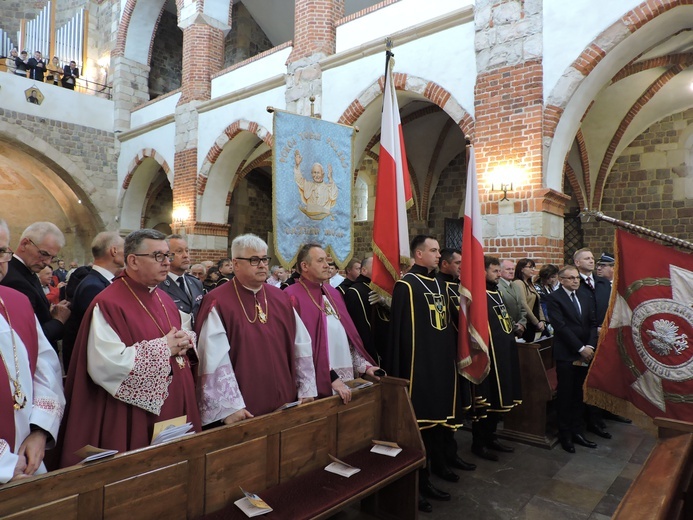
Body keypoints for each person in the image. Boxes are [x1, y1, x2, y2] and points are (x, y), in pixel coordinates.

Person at [59, 229, 201, 468]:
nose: (167, 262)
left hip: (176, 403)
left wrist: (185, 340)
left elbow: (179, 336)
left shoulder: (164, 298)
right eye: (158, 256)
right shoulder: (109, 303)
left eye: (167, 256)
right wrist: (164, 347)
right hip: (132, 413)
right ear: (133, 260)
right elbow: (106, 364)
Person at [195, 234, 317, 426]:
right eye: (254, 260)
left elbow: (301, 343)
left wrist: (306, 388)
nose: (262, 265)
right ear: (236, 264)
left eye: (264, 259)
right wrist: (230, 407)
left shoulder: (281, 298)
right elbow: (214, 356)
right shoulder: (218, 301)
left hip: (287, 402)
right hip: (244, 410)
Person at [388, 235, 459, 513]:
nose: (437, 254)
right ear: (418, 254)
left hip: (440, 363)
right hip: (418, 367)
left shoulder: (439, 283)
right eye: (432, 250)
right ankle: (418, 483)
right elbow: (399, 332)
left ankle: (434, 472)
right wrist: (401, 373)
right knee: (418, 429)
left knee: (437, 426)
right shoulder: (406, 285)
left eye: (438, 250)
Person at [0, 218, 65, 484]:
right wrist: (6, 463)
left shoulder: (17, 303)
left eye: (2, 251)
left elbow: (45, 369)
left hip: (27, 458)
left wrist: (39, 431)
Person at [284, 244, 379, 405]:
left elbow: (348, 338)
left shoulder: (333, 293)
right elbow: (298, 347)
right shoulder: (291, 296)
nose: (327, 265)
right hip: (316, 384)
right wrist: (331, 377)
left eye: (327, 261)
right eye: (320, 260)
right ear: (304, 266)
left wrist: (365, 366)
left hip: (345, 380)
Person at [471, 256, 521, 461]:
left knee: (498, 401)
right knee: (486, 400)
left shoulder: (495, 292)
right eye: (494, 271)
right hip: (488, 357)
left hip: (503, 352)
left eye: (499, 271)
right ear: (481, 271)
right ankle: (479, 443)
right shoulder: (478, 294)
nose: (499, 274)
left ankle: (491, 437)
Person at [545, 265, 598, 454]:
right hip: (567, 354)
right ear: (561, 279)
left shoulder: (584, 296)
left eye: (577, 278)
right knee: (566, 395)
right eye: (571, 278)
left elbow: (593, 324)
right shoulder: (554, 298)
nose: (575, 281)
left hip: (585, 353)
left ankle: (577, 431)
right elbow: (560, 327)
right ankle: (565, 433)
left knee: (579, 393)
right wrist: (580, 348)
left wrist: (590, 346)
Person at [0, 222, 71, 349]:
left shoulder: (27, 272)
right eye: (44, 254)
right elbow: (25, 337)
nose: (47, 262)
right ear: (25, 243)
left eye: (52, 258)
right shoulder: (14, 279)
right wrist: (58, 321)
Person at [61, 231, 124, 371]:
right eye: (124, 249)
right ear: (114, 251)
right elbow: (97, 333)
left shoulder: (98, 281)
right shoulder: (93, 286)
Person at [343, 256, 388, 363]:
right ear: (364, 270)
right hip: (372, 354)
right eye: (376, 267)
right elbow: (361, 330)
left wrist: (386, 302)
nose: (381, 270)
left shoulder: (379, 289)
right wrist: (372, 357)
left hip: (385, 347)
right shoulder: (355, 292)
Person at [158, 235, 204, 327]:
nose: (186, 255)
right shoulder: (159, 286)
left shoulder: (195, 283)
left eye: (187, 251)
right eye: (179, 251)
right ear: (167, 255)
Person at [294, 150, 338, 219]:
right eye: (314, 172)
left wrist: (330, 178)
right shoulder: (308, 185)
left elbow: (333, 196)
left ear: (323, 174)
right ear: (311, 174)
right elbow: (299, 180)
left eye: (318, 173)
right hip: (310, 214)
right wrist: (297, 165)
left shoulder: (328, 187)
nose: (316, 175)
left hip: (324, 214)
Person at [512, 258, 546, 342]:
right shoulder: (518, 283)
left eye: (533, 267)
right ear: (522, 269)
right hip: (526, 322)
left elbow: (538, 302)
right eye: (530, 267)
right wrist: (536, 322)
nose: (533, 269)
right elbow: (523, 303)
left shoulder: (530, 283)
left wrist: (542, 320)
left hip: (533, 322)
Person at [497, 259, 527, 339]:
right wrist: (515, 326)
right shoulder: (498, 286)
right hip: (506, 329)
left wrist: (522, 323)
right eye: (508, 269)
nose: (511, 271)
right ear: (500, 271)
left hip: (519, 328)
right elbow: (502, 309)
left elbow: (522, 307)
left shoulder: (515, 286)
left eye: (513, 269)